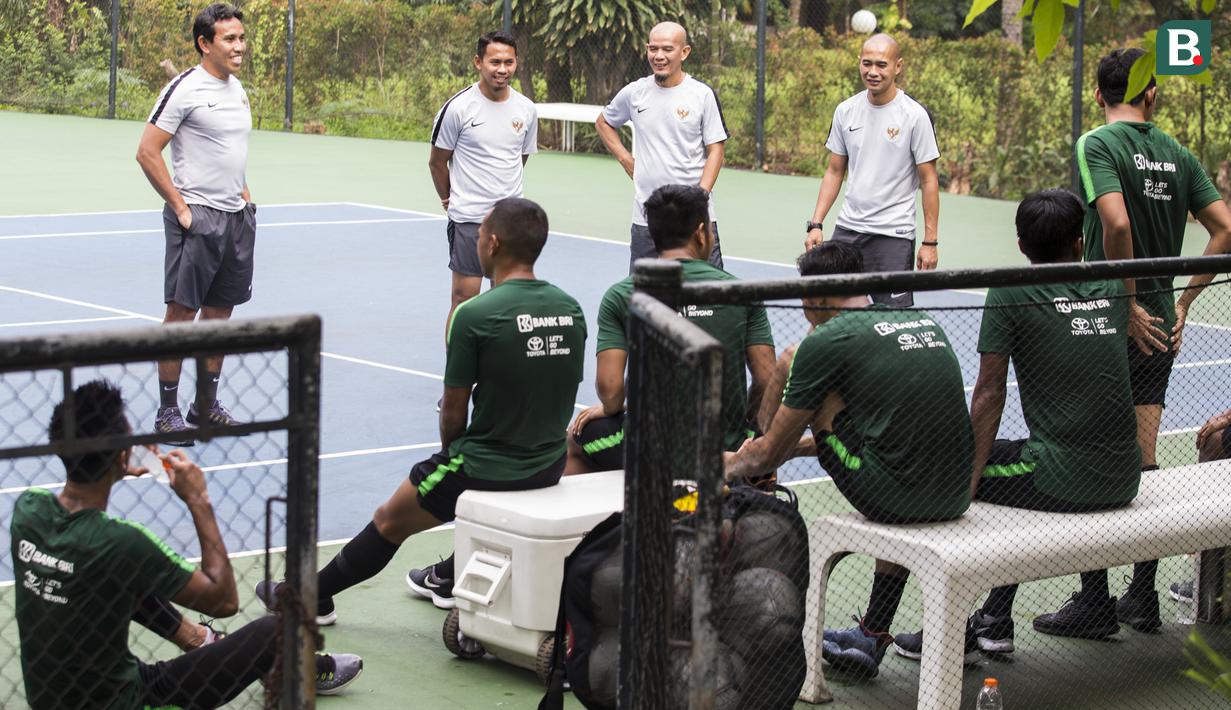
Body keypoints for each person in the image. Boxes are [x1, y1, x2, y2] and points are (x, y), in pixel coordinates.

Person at [257, 198, 586, 615]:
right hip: (548, 464)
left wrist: (452, 457)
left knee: (389, 519)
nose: (479, 242)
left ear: (494, 244)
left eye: (481, 235)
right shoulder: (569, 307)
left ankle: (306, 598)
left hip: (488, 465)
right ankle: (446, 576)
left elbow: (453, 413)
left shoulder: (474, 314)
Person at [891, 189, 1142, 662]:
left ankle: (958, 630)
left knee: (968, 480)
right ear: (1078, 243)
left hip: (1064, 477)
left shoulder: (1011, 290)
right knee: (1023, 460)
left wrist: (963, 477)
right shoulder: (1113, 286)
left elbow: (988, 393)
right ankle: (1007, 616)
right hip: (1124, 474)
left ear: (1021, 245)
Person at [12, 380, 361, 709]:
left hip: (48, 696)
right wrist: (198, 500)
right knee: (273, 632)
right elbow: (223, 600)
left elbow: (94, 550)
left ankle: (197, 639)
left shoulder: (28, 509)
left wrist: (116, 465)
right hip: (123, 700)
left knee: (112, 573)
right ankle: (297, 672)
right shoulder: (122, 540)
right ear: (122, 455)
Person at [724, 241, 973, 678]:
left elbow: (771, 450)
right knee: (884, 447)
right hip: (956, 494)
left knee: (811, 389)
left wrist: (723, 465)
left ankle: (865, 639)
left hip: (895, 499)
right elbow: (868, 438)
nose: (804, 316)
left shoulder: (827, 340)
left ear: (816, 299)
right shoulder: (919, 318)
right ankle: (873, 635)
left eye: (805, 305)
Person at [1077, 48, 1231, 631]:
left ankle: (1094, 604)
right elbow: (1225, 229)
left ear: (1098, 96)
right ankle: (1141, 596)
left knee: (1090, 450)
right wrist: (1183, 300)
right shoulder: (1176, 152)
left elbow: (1114, 223)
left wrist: (1125, 299)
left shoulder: (1098, 143)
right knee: (1144, 456)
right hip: (1163, 318)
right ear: (1152, 95)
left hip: (1108, 317)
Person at [566, 184, 775, 475]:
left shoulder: (622, 295)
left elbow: (610, 390)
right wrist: (747, 429)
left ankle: (619, 517)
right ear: (701, 233)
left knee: (576, 440)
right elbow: (766, 380)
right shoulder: (743, 292)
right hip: (726, 450)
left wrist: (613, 407)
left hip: (646, 447)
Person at [136, 2, 257, 443]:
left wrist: (245, 196)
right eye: (229, 39)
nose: (239, 46)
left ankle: (205, 406)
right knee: (182, 314)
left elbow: (231, 152)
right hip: (198, 218)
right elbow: (147, 151)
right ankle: (168, 412)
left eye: (241, 37)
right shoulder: (183, 89)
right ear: (205, 44)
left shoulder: (237, 89)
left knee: (218, 315)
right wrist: (182, 209)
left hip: (235, 218)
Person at [803, 33, 940, 307]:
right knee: (829, 307)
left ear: (897, 66)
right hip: (848, 229)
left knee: (891, 319)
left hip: (893, 234)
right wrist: (816, 223)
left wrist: (930, 242)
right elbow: (834, 171)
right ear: (859, 63)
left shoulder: (914, 116)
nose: (873, 72)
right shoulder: (845, 111)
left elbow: (929, 180)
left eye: (881, 65)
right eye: (867, 64)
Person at [429, 30, 538, 340]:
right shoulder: (458, 108)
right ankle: (457, 381)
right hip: (468, 221)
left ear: (516, 63)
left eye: (508, 62)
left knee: (506, 302)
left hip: (510, 222)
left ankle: (497, 376)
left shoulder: (526, 110)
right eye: (494, 62)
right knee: (465, 301)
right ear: (479, 62)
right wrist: (449, 200)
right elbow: (437, 161)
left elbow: (520, 157)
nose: (502, 69)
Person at [596, 22, 729, 271]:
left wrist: (699, 197)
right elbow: (604, 122)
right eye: (653, 48)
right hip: (647, 220)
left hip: (695, 221)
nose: (659, 56)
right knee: (644, 297)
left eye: (667, 49)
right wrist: (626, 159)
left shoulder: (701, 95)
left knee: (710, 298)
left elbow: (716, 150)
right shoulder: (635, 92)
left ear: (684, 52)